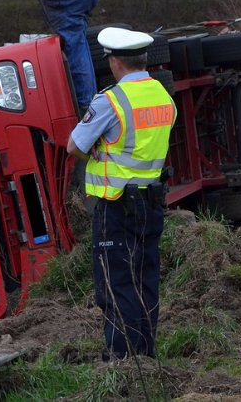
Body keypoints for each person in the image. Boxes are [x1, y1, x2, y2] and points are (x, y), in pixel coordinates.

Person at [67, 27, 176, 360]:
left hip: (116, 206)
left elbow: (74, 146)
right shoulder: (163, 96)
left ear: (115, 63)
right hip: (152, 204)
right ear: (143, 60)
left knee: (117, 283)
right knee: (146, 278)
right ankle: (146, 353)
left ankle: (122, 360)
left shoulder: (111, 100)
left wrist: (99, 150)